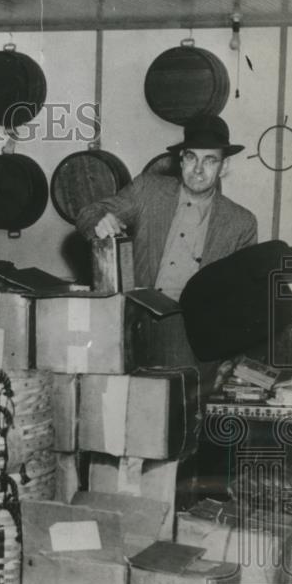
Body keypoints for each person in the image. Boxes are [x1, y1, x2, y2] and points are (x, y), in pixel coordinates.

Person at [75, 114, 258, 392]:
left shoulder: (241, 223)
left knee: (176, 417)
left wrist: (232, 360)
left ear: (224, 166)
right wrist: (99, 222)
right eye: (191, 157)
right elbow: (90, 212)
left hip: (192, 338)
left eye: (210, 160)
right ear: (180, 160)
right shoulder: (149, 190)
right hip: (132, 322)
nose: (198, 169)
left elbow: (243, 302)